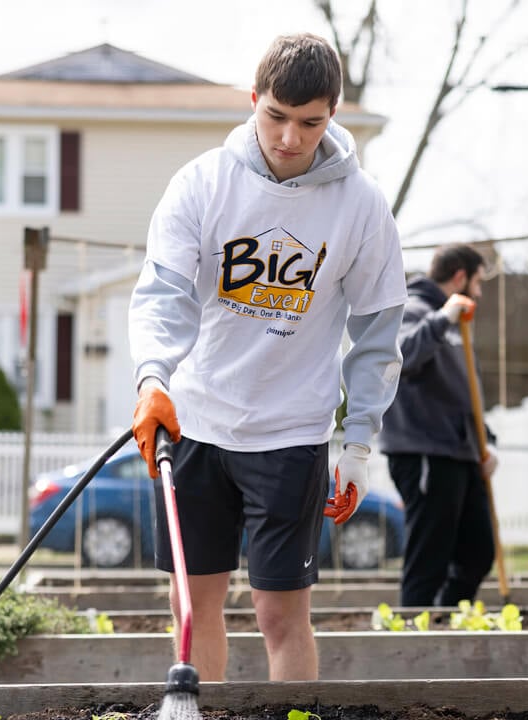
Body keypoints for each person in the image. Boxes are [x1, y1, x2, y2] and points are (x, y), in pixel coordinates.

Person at [127, 33, 407, 682]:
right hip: (195, 421)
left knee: (281, 614)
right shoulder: (202, 184)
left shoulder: (360, 207)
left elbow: (376, 334)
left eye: (309, 123)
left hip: (291, 435)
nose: (289, 138)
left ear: (332, 114)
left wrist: (359, 446)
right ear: (254, 101)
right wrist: (152, 379)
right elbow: (164, 294)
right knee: (191, 606)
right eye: (275, 117)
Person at [378, 243, 498, 607]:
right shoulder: (410, 310)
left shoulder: (454, 324)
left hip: (460, 452)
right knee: (428, 557)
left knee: (478, 552)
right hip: (425, 452)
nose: (477, 293)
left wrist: (485, 442)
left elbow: (465, 391)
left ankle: (442, 621)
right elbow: (402, 358)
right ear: (460, 276)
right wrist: (442, 318)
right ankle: (411, 636)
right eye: (477, 283)